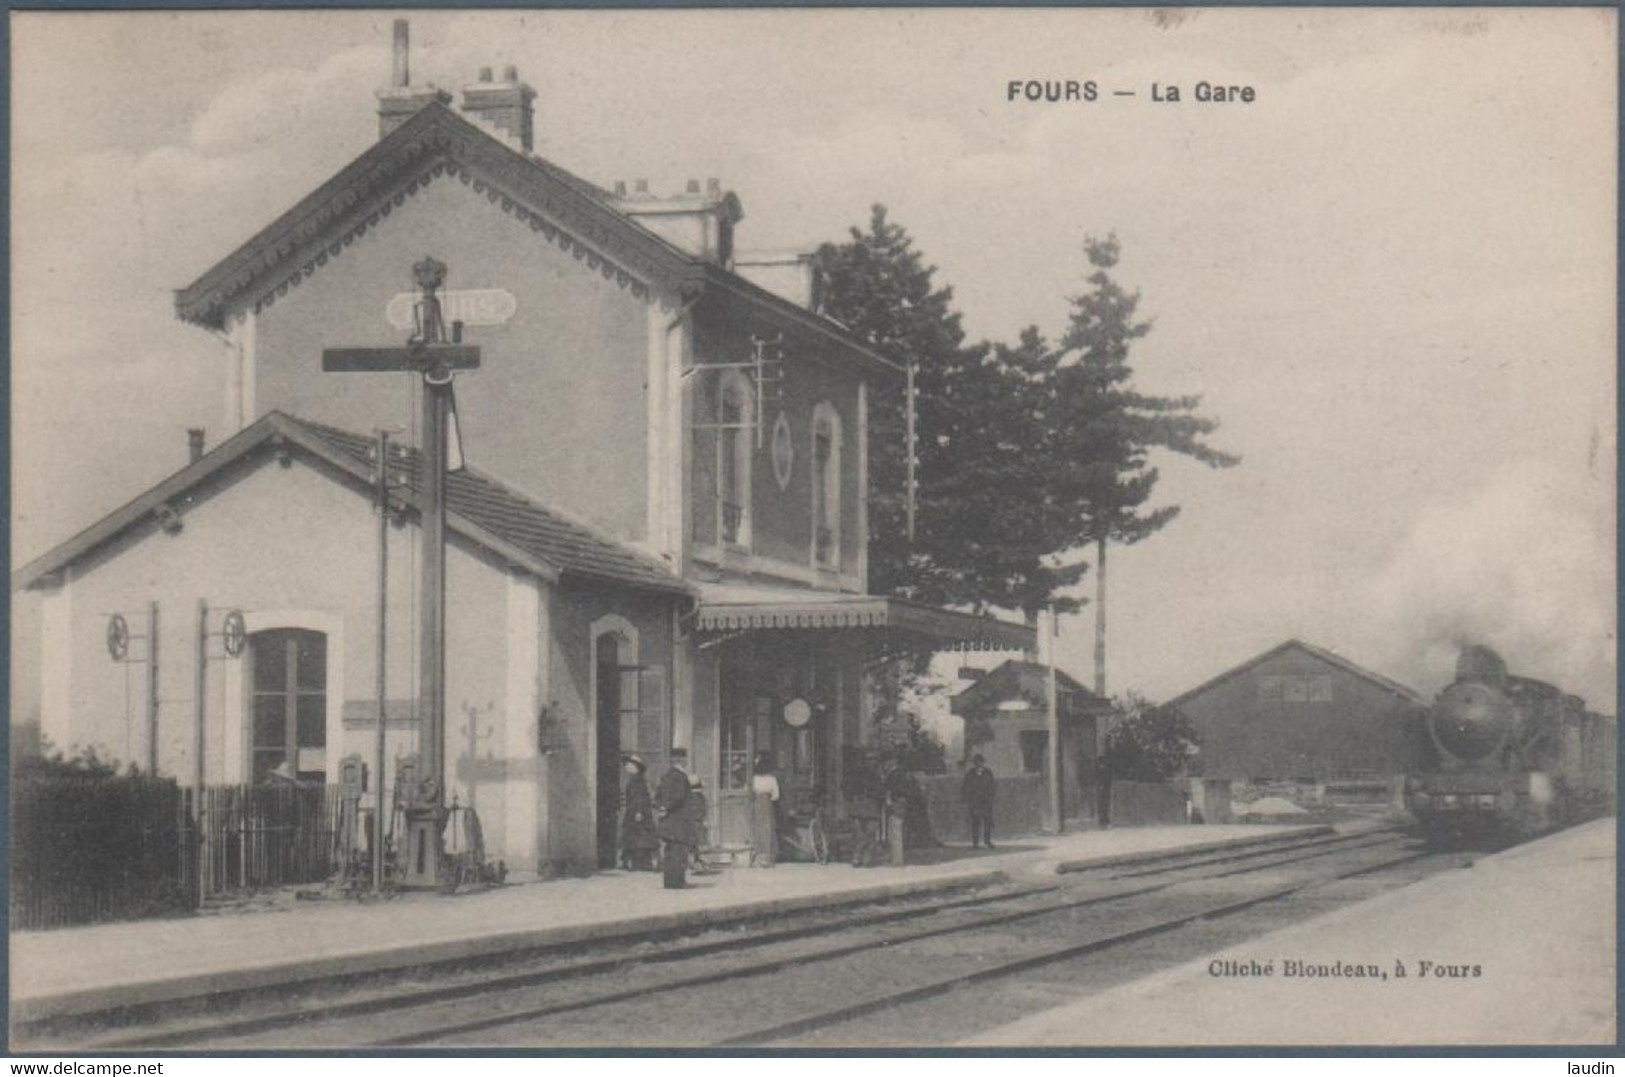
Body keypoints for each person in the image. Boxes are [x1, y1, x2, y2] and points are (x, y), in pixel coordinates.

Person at [655, 752, 692, 889]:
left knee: (669, 852)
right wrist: (668, 807)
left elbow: (657, 797)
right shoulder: (681, 777)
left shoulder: (666, 776)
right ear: (682, 760)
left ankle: (669, 882)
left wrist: (662, 808)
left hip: (667, 822)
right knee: (679, 852)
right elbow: (680, 797)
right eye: (684, 759)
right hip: (679, 821)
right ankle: (678, 882)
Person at [619, 756, 658, 872]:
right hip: (634, 811)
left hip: (638, 813)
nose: (626, 767)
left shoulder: (637, 780)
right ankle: (632, 863)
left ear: (635, 766)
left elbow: (640, 797)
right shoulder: (634, 779)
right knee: (635, 837)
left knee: (641, 838)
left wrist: (639, 811)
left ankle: (645, 863)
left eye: (628, 765)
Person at [749, 751, 781, 867]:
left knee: (757, 828)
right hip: (767, 804)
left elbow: (750, 793)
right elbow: (776, 796)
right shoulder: (772, 779)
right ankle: (768, 857)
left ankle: (758, 855)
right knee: (768, 829)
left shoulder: (754, 779)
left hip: (757, 803)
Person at [963, 753, 996, 849]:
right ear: (974, 763)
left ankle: (987, 841)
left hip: (986, 801)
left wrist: (991, 797)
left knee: (987, 822)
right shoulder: (970, 773)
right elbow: (966, 786)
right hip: (975, 801)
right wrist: (967, 799)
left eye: (980, 762)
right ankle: (975, 843)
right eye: (976, 762)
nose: (978, 764)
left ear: (982, 763)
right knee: (975, 822)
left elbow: (992, 785)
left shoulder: (987, 772)